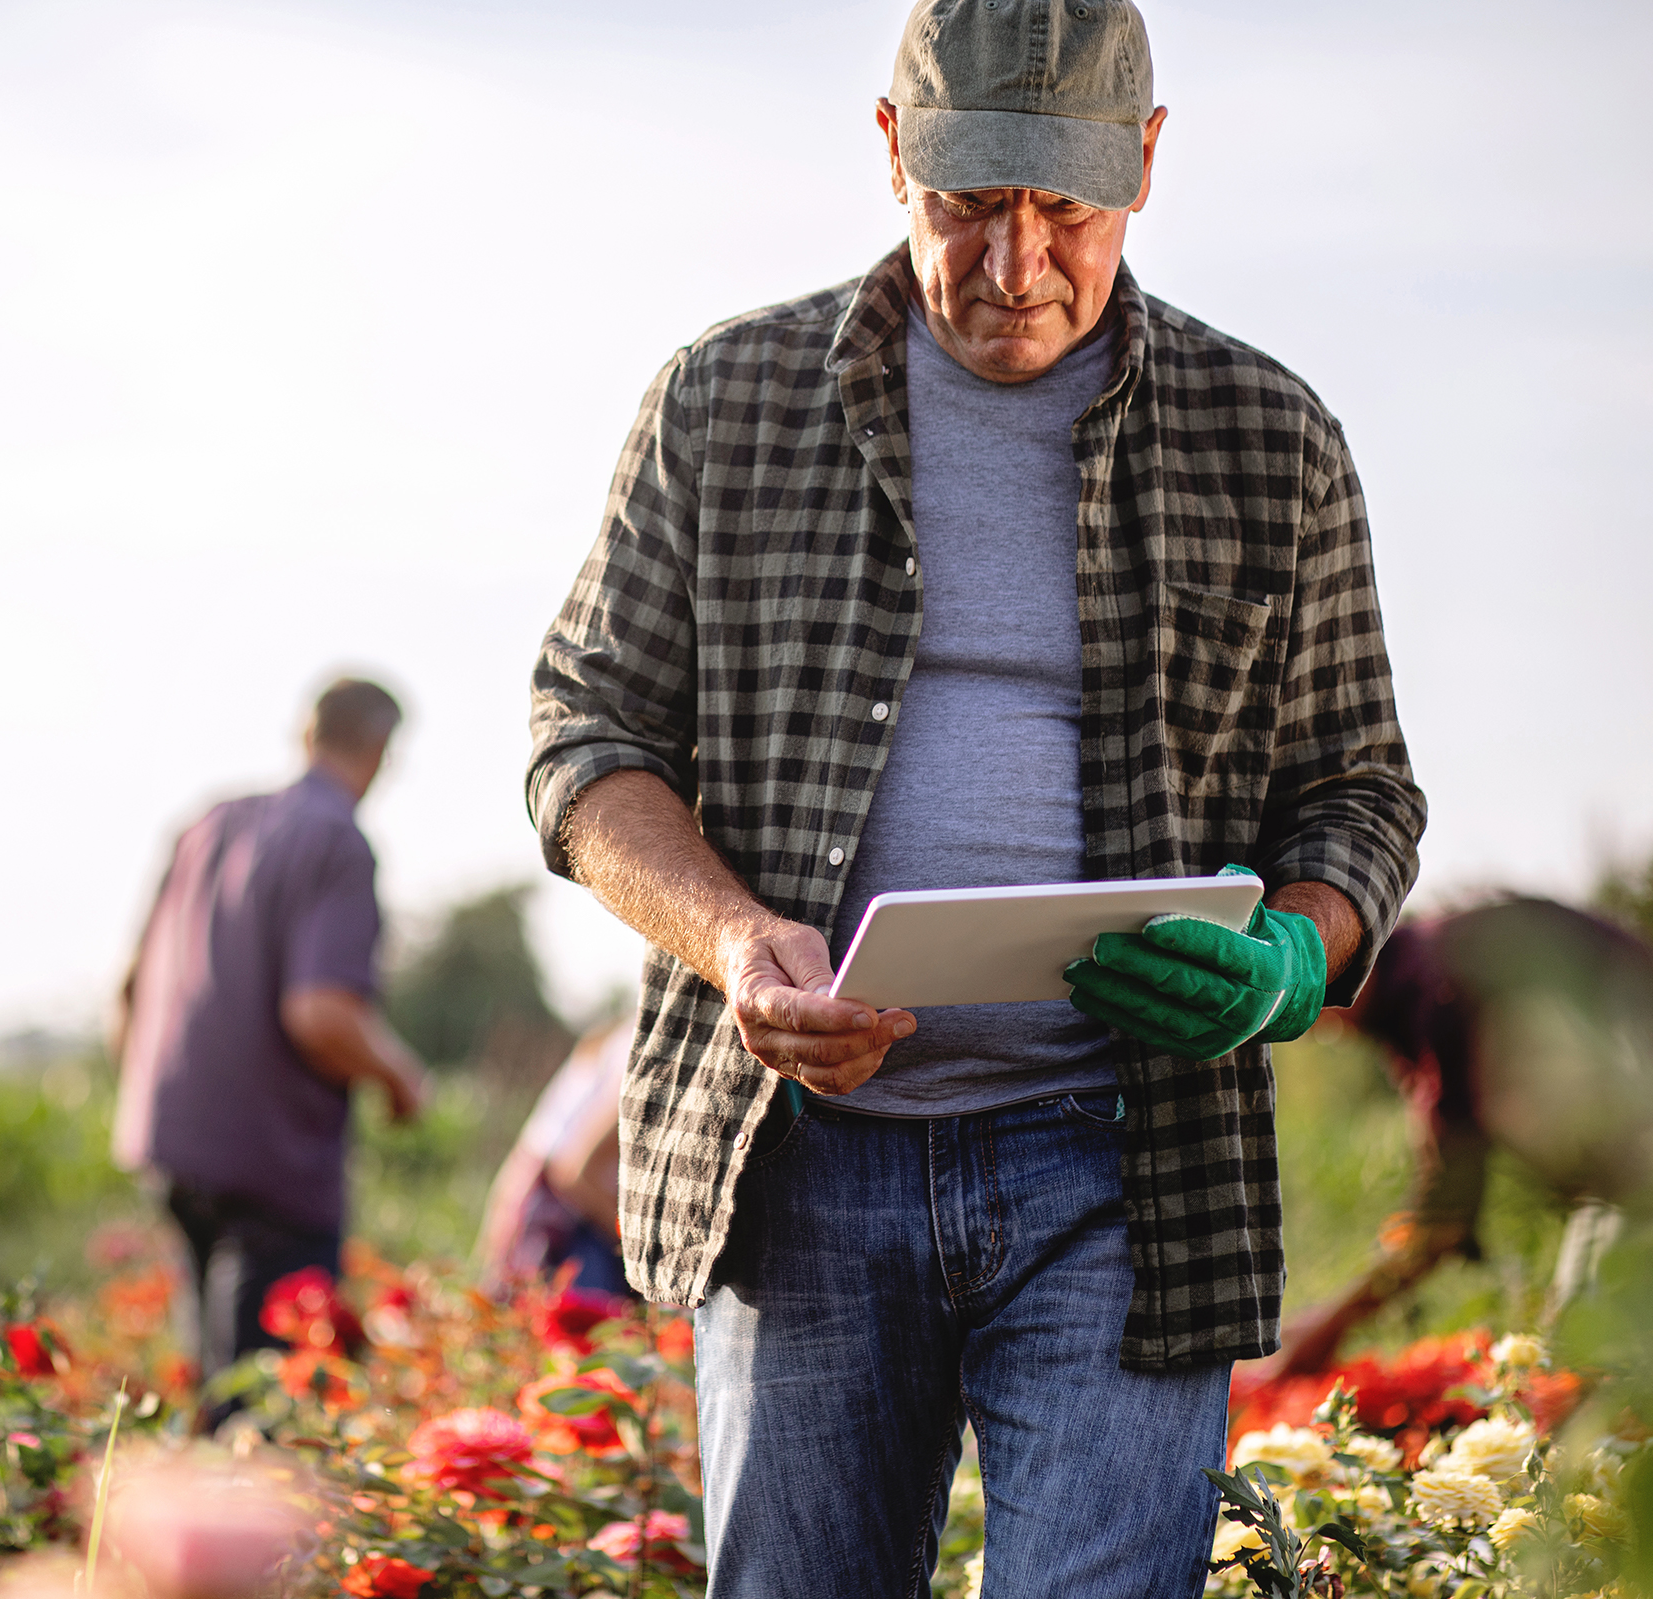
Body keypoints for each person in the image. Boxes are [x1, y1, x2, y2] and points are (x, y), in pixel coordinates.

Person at [524, 0, 1426, 1589]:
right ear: (892, 153)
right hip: (801, 1152)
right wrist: (736, 939)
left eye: (1065, 212)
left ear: (1145, 166)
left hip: (1127, 1163)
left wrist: (1288, 959)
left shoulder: (1270, 442)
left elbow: (1356, 792)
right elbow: (584, 735)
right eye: (967, 206)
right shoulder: (724, 405)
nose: (1016, 265)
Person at [113, 677, 430, 1407]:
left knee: (213, 1379)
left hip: (173, 1140)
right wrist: (401, 1076)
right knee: (264, 1408)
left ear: (306, 732)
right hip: (270, 1160)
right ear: (379, 750)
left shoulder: (210, 823)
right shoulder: (338, 841)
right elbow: (320, 1011)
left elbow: (127, 990)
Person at [1262, 898, 1653, 1378]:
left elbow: (1443, 1213)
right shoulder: (1423, 977)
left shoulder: (1433, 984)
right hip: (1625, 1181)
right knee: (1575, 1353)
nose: (1314, 1018)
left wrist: (1329, 1326)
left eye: (1310, 989)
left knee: (1596, 1362)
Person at [474, 1008, 636, 1298]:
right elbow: (575, 1172)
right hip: (562, 1221)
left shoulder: (621, 1037)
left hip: (545, 1204)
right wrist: (636, 1243)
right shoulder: (647, 1050)